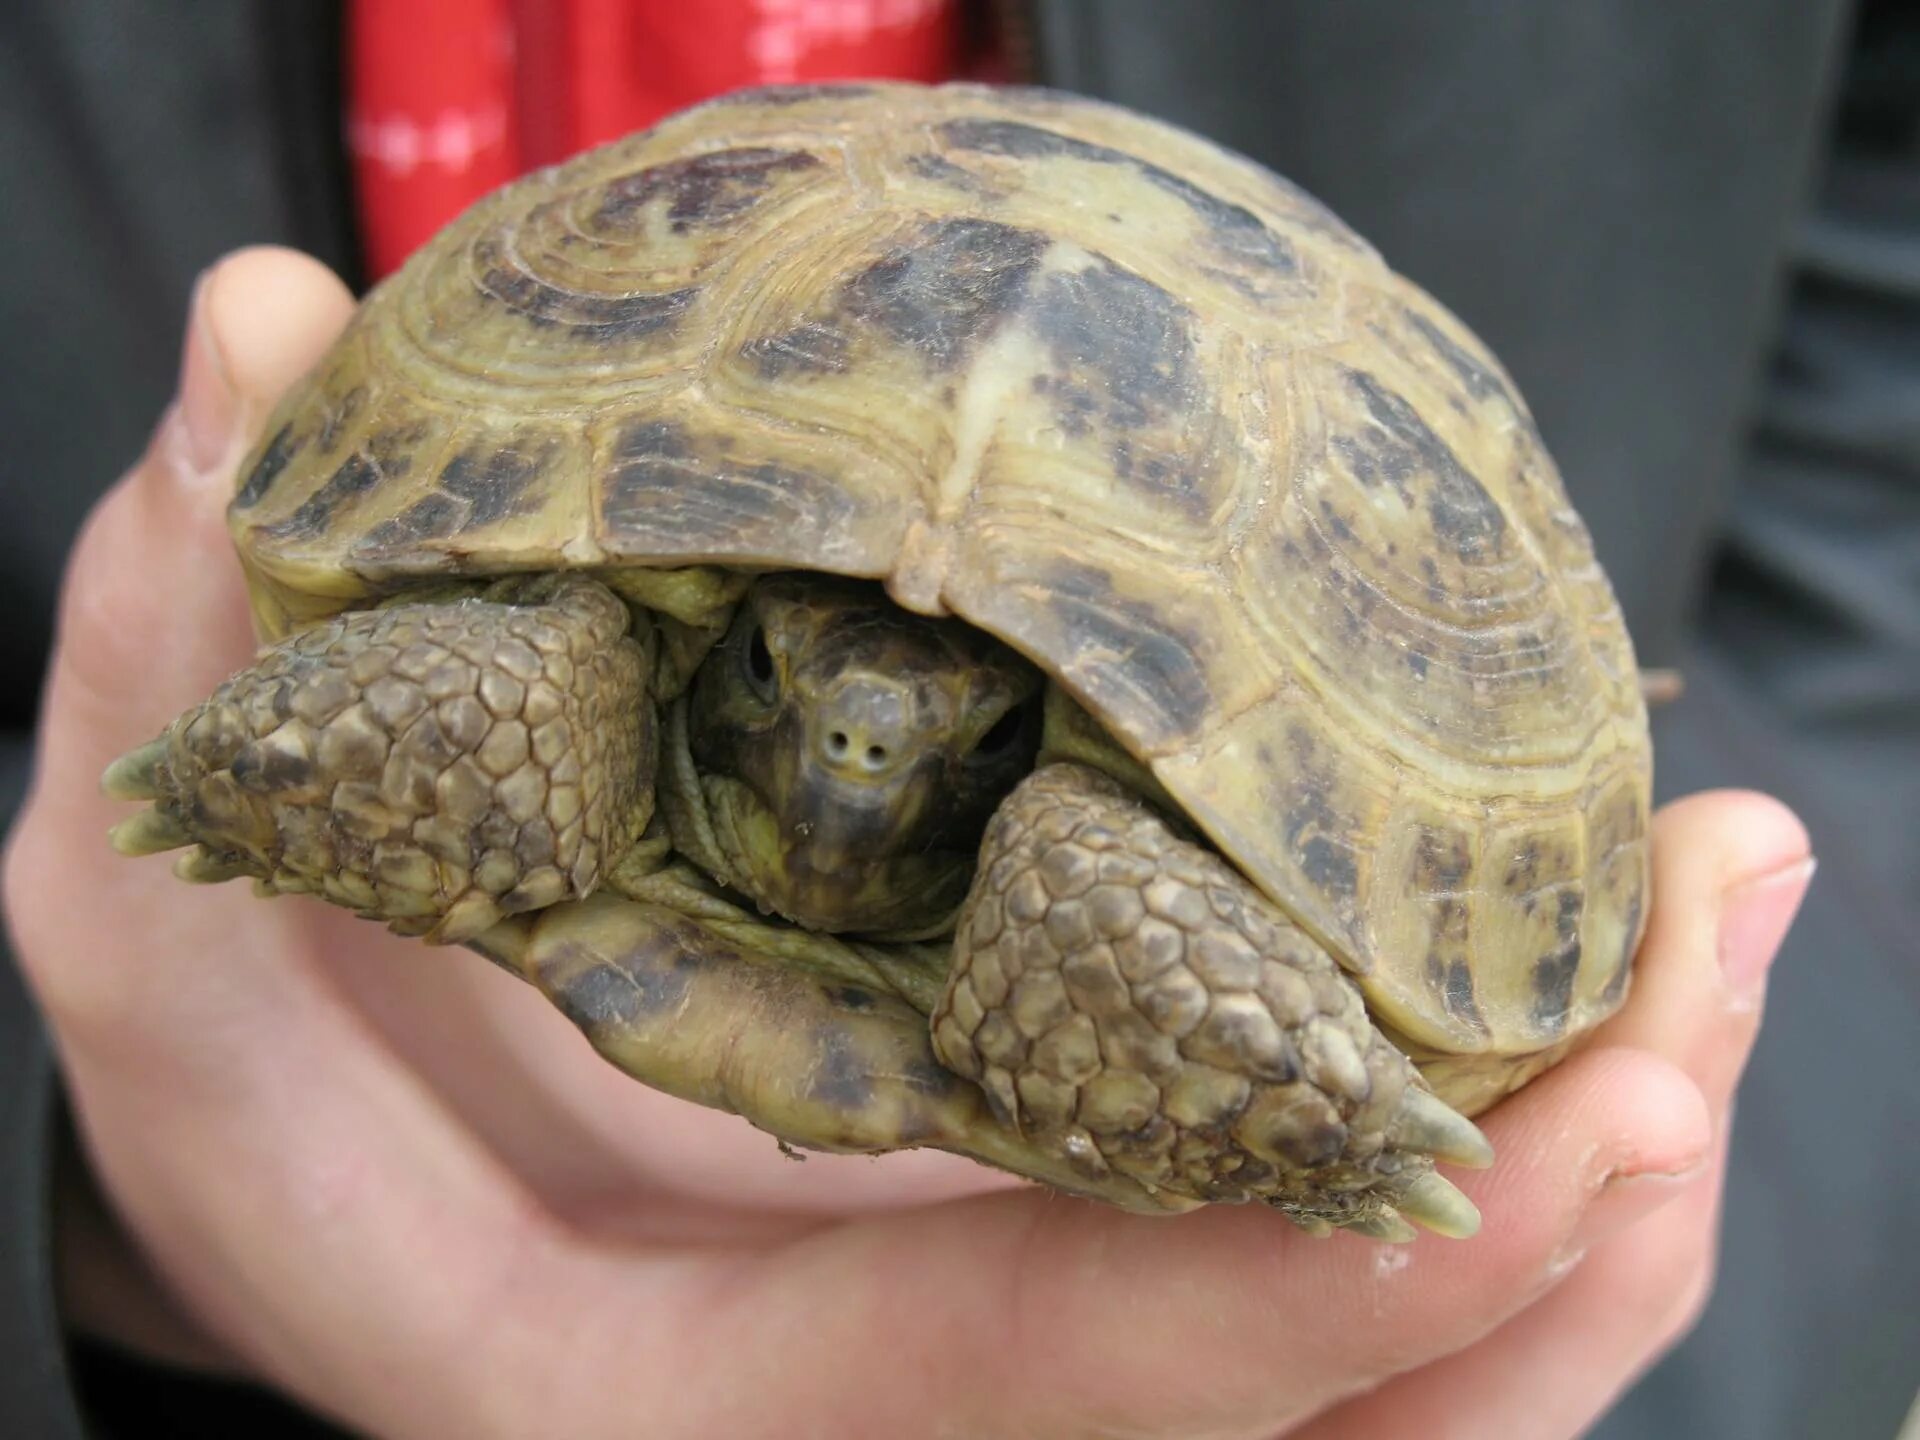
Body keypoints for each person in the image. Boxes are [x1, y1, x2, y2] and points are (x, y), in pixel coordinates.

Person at [3, 3, 1912, 1436]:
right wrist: (69, 1201)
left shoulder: (1082, 862)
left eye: (956, 752)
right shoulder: (585, 670)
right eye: (780, 690)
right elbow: (415, 690)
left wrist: (1621, 1313)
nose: (847, 761)